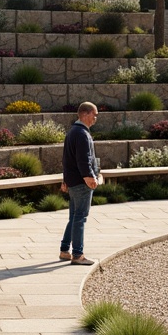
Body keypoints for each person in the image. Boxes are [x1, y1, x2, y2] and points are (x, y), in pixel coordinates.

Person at [59, 102, 101, 265]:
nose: (95, 118)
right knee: (80, 217)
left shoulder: (73, 132)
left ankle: (64, 250)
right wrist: (90, 178)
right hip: (81, 182)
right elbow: (84, 160)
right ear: (85, 114)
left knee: (74, 216)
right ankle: (77, 254)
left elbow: (66, 159)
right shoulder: (82, 134)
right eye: (94, 114)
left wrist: (65, 180)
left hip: (73, 180)